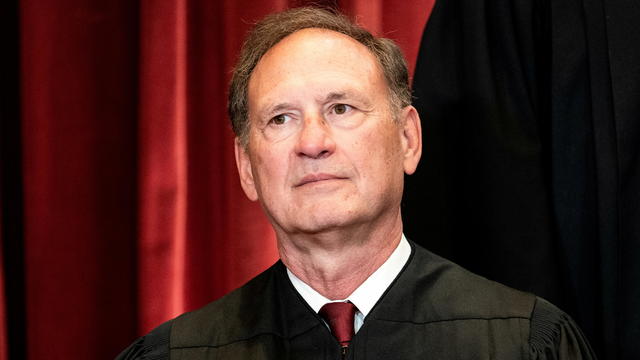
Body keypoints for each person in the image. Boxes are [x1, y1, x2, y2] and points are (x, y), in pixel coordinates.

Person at [116, 7, 595, 360]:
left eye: (340, 109)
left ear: (408, 139)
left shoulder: (526, 343)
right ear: (246, 167)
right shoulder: (176, 355)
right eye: (281, 118)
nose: (313, 142)